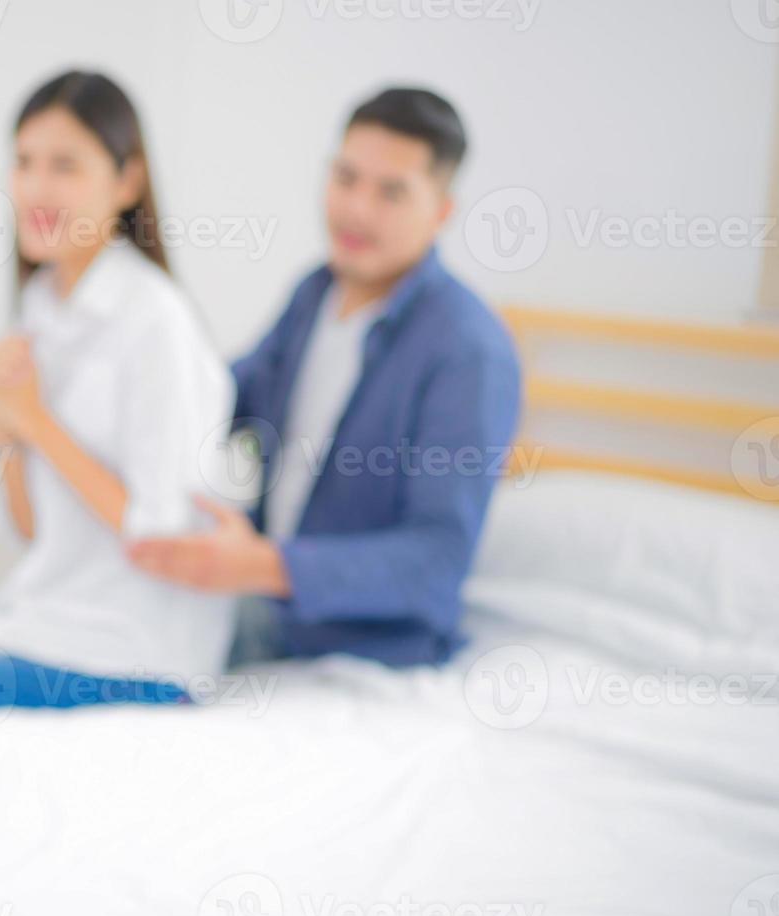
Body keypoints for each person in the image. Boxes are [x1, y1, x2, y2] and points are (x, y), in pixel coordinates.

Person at [128, 88, 522, 668]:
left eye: (391, 192)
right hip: (262, 609)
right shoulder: (316, 292)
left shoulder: (470, 351)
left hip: (354, 649)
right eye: (346, 177)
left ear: (440, 211)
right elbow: (226, 397)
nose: (356, 209)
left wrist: (261, 565)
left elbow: (436, 560)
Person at [0, 69, 236, 707]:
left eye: (65, 165)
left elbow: (159, 534)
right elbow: (30, 529)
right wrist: (2, 424)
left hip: (137, 648)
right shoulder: (42, 301)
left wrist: (34, 423)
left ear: (127, 179)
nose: (35, 187)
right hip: (47, 615)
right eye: (24, 162)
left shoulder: (154, 318)